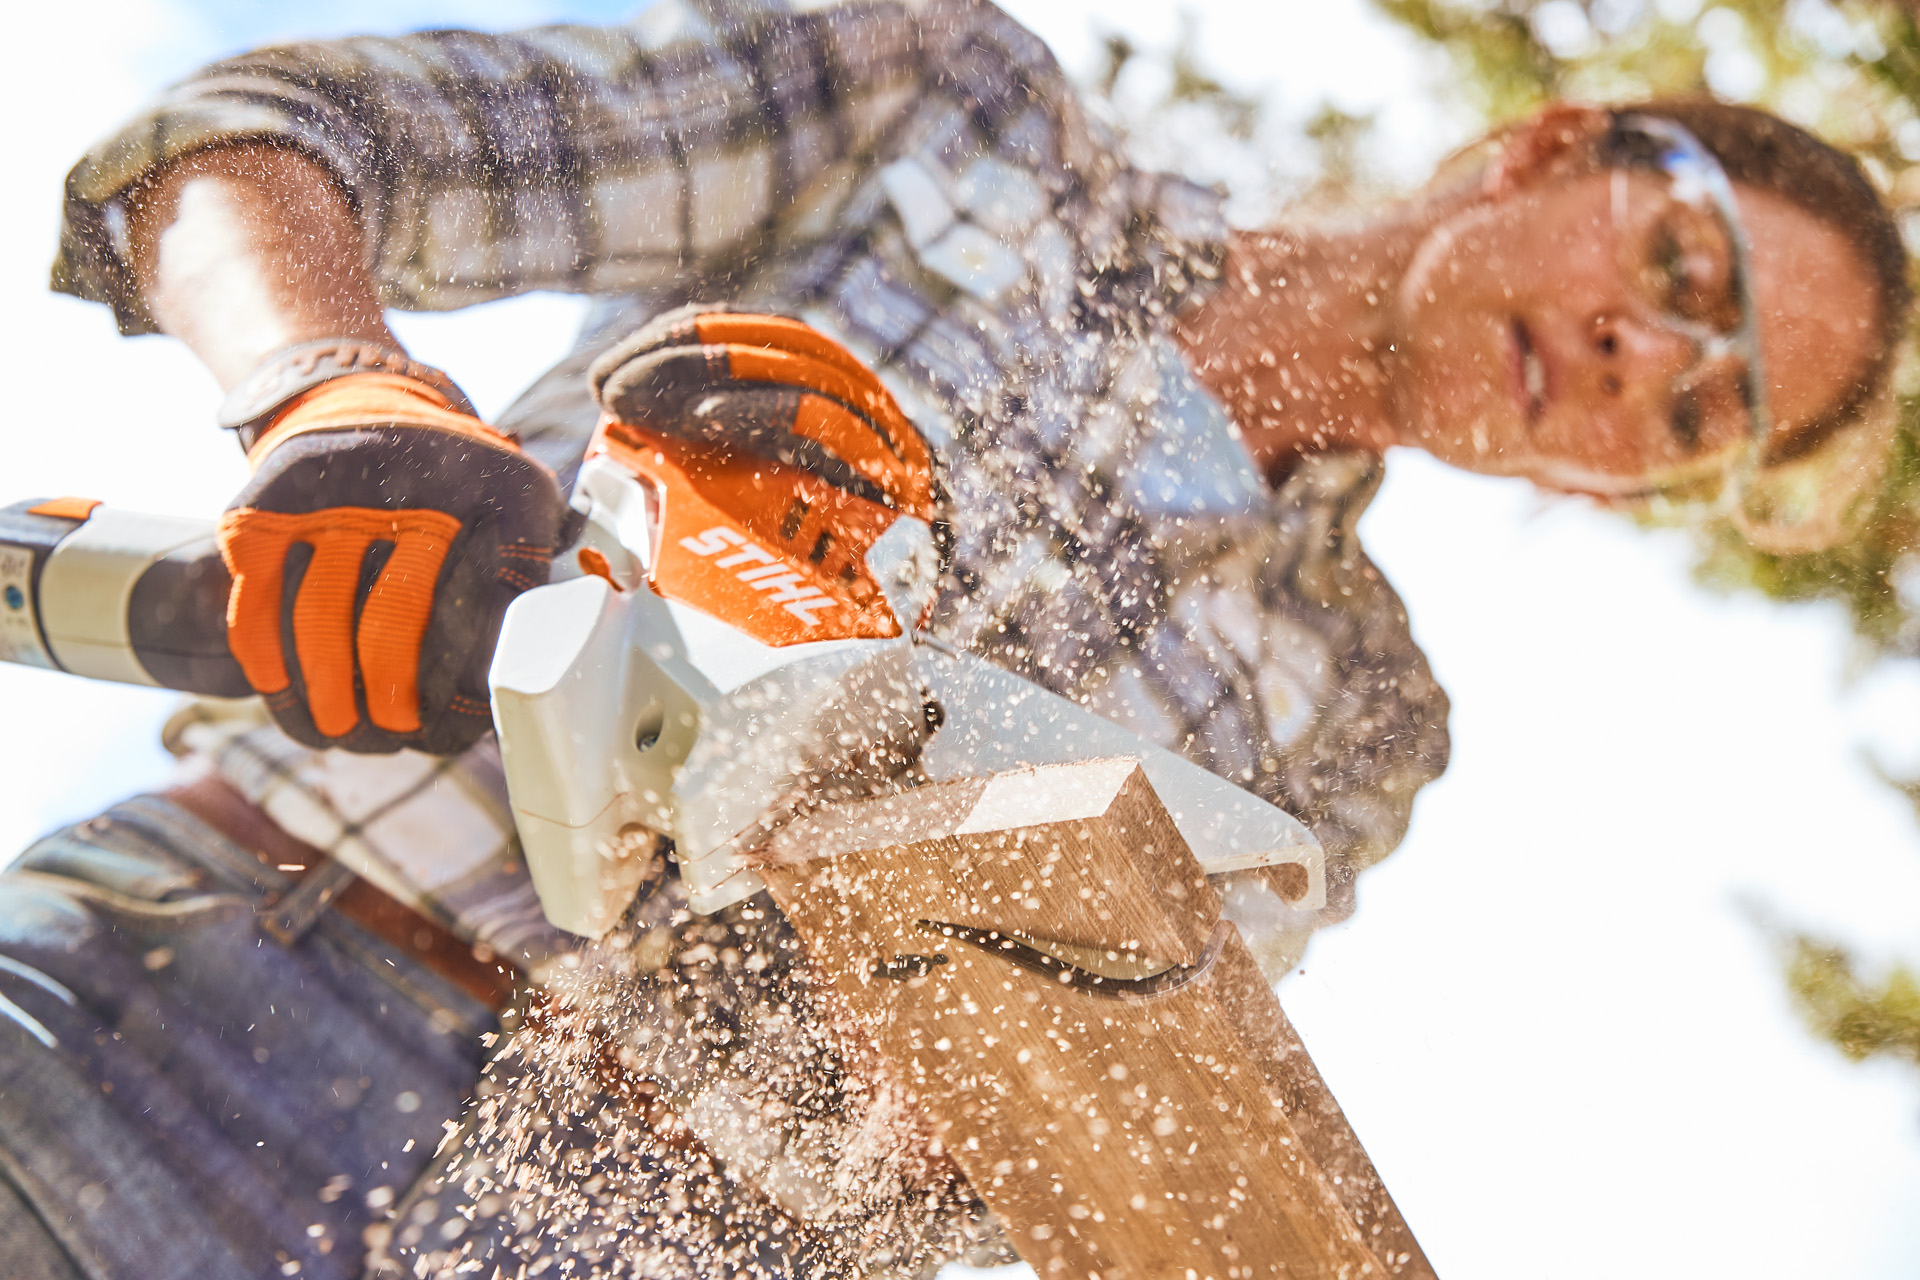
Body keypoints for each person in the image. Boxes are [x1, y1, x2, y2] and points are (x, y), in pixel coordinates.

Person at [0, 0, 1905, 1276]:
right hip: (203, 973)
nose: (1646, 358)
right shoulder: (958, 110)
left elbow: (1018, 1133)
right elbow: (275, 136)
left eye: (1698, 408)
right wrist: (336, 390)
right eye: (1678, 273)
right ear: (1544, 152)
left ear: (1614, 488)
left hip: (625, 1229)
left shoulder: (1366, 726)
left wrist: (952, 1013)